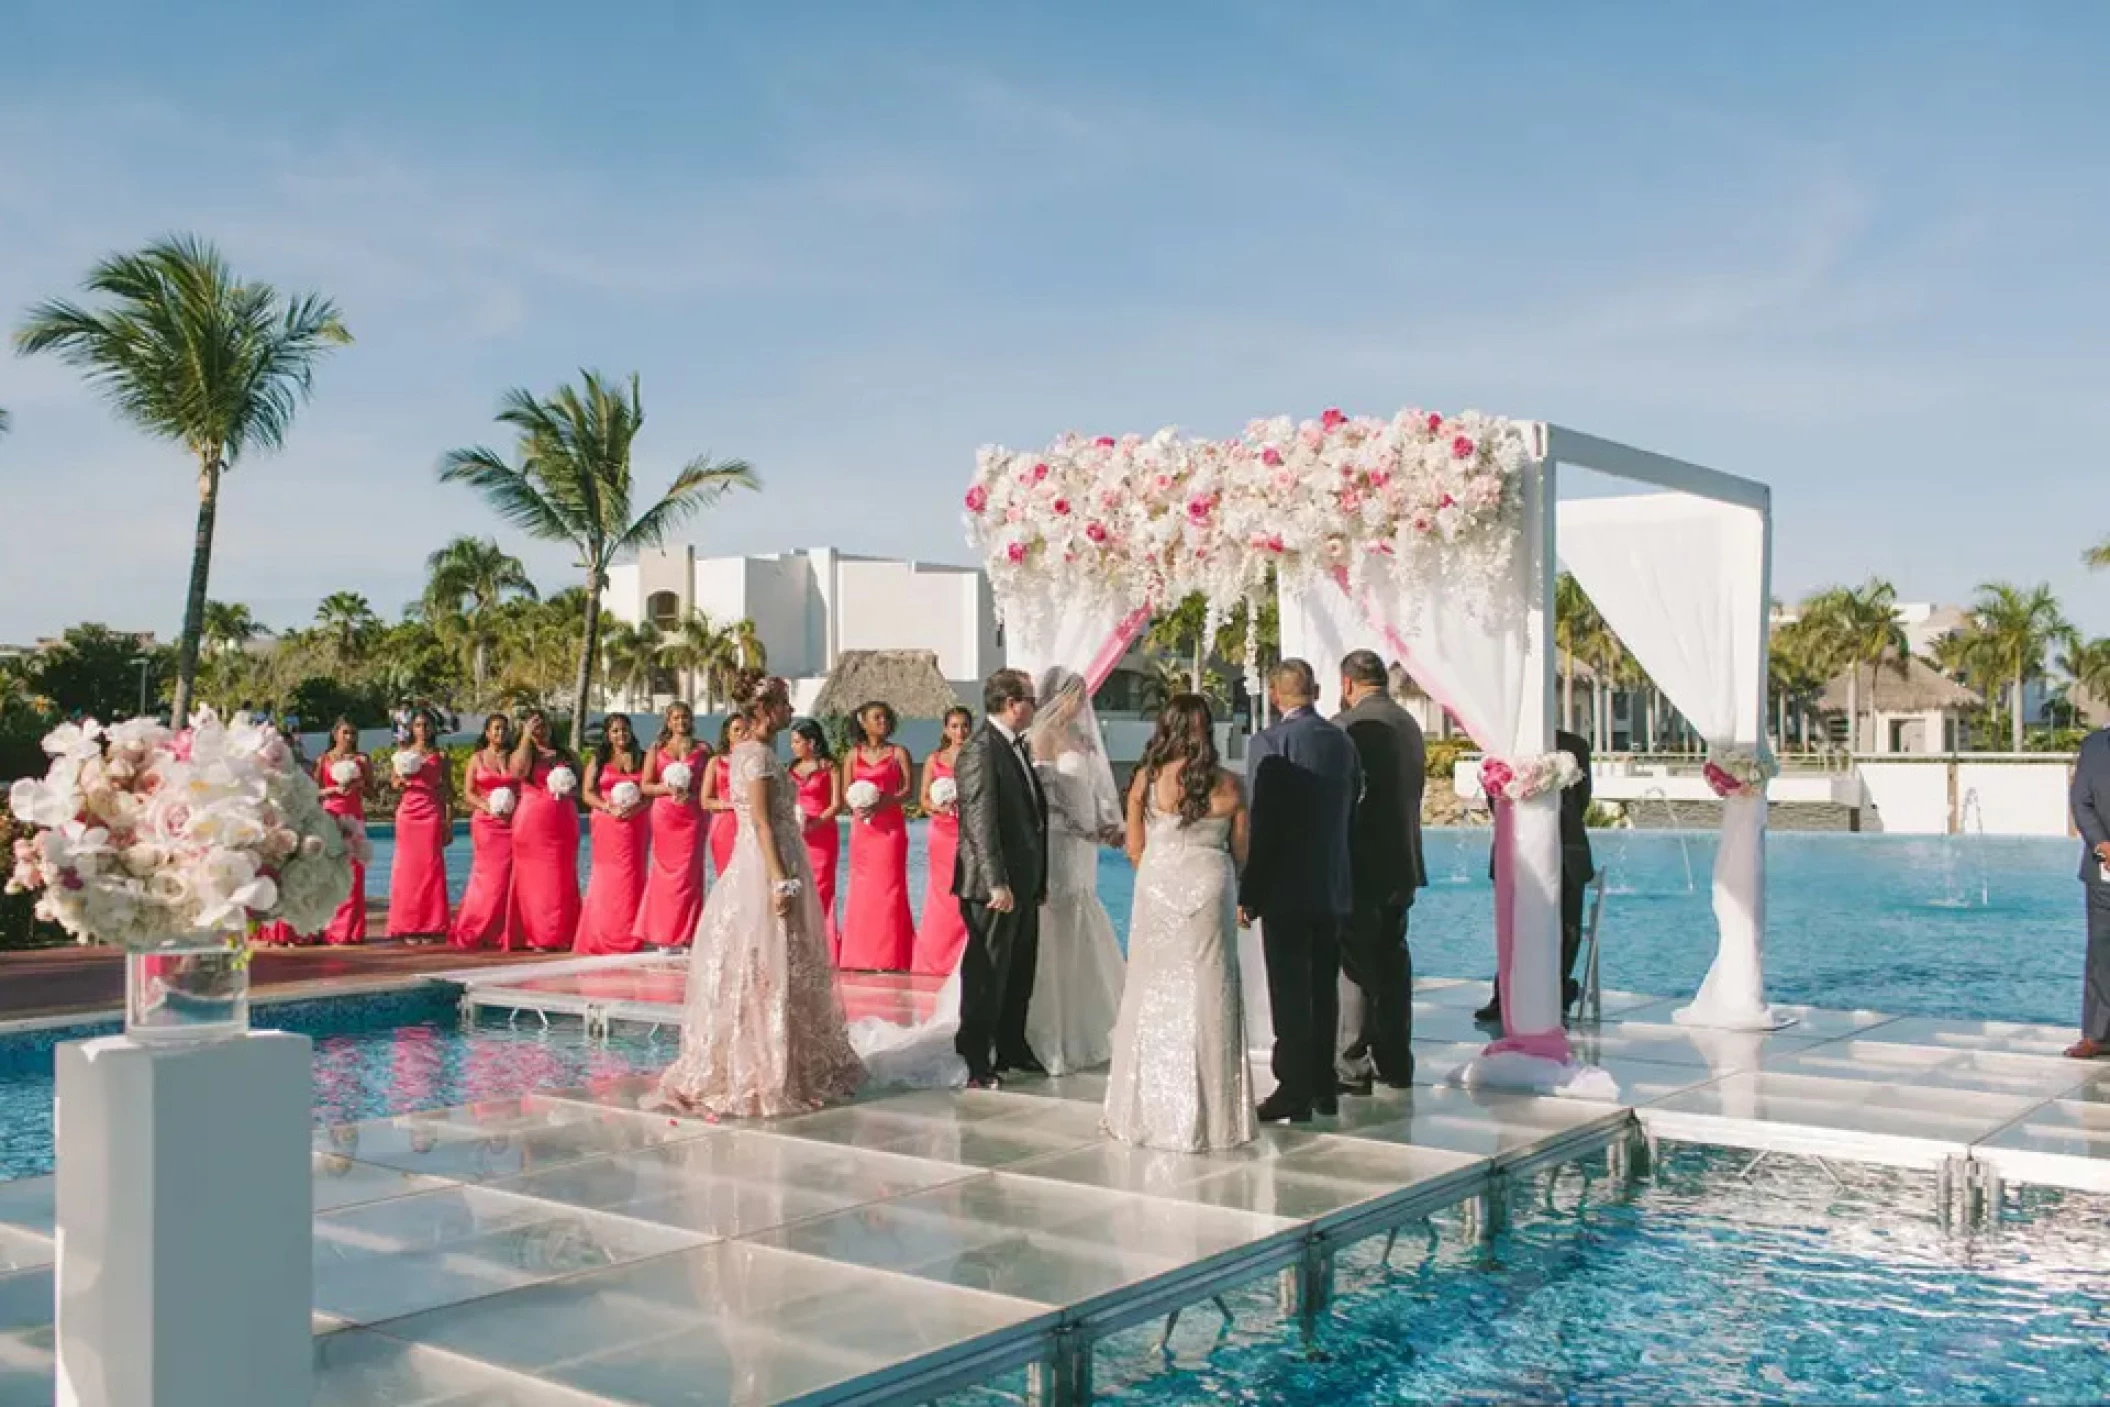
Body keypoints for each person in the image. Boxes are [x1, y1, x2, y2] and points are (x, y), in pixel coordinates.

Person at [653, 673, 866, 1118]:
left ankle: (788, 1056)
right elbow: (762, 824)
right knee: (768, 958)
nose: (791, 712)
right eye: (785, 704)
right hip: (766, 864)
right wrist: (779, 879)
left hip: (779, 856)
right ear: (766, 710)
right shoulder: (758, 757)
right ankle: (765, 1065)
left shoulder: (754, 753)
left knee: (784, 961)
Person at [1103, 695, 1257, 1152]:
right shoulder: (1231, 785)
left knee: (1150, 989)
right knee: (1213, 992)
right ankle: (1216, 1119)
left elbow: (1134, 847)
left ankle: (1146, 1114)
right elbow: (1243, 853)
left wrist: (1160, 874)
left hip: (1158, 884)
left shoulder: (1145, 780)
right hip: (1209, 886)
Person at [1239, 659, 1361, 1124]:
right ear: (1315, 690)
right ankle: (1323, 1084)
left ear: (1275, 695)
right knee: (1323, 987)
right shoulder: (1342, 741)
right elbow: (1353, 805)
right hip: (1333, 880)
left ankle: (1293, 1086)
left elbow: (1263, 823)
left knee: (1289, 989)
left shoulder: (1269, 743)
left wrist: (1251, 890)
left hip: (1287, 886)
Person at [1023, 668, 1127, 1074]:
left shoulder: (1081, 739)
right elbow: (1044, 796)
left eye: (1082, 696)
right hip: (1060, 840)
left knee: (1084, 906)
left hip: (1085, 844)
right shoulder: (1042, 736)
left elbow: (1092, 791)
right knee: (1059, 914)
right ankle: (1053, 1024)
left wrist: (1105, 825)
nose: (1080, 704)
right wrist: (1081, 826)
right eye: (1073, 696)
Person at [1333, 650, 1427, 1092]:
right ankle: (1395, 1059)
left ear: (1347, 683)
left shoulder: (1346, 727)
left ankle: (1351, 1062)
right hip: (1402, 861)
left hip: (1359, 861)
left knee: (1352, 963)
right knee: (1393, 961)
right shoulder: (1409, 724)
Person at [952, 668, 1048, 1087]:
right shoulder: (980, 750)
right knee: (988, 971)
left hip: (1023, 881)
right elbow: (979, 821)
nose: (1035, 706)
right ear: (1012, 704)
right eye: (1031, 698)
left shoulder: (1013, 746)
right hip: (993, 884)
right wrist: (996, 882)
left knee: (1020, 968)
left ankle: (1011, 1045)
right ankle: (975, 1057)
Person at [1475, 728, 1595, 1024]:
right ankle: (1504, 996)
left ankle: (1559, 995)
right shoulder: (1504, 744)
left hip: (1567, 848)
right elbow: (1495, 798)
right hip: (1516, 848)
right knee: (1513, 926)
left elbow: (1582, 799)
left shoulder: (1574, 745)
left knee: (1567, 928)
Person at [839, 701, 916, 971]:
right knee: (862, 889)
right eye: (877, 717)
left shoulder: (898, 753)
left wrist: (884, 802)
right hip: (864, 829)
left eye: (885, 717)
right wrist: (858, 803)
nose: (882, 722)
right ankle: (860, 956)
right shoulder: (852, 755)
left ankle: (891, 956)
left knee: (890, 888)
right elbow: (845, 793)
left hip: (890, 829)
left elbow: (908, 791)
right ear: (864, 722)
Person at [575, 712, 651, 955]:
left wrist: (636, 807)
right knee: (607, 877)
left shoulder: (644, 758)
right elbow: (587, 793)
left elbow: (649, 792)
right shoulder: (599, 759)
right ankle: (604, 933)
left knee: (632, 874)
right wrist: (608, 807)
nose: (621, 735)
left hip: (636, 822)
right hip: (607, 822)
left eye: (624, 730)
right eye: (615, 731)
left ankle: (631, 934)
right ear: (608, 734)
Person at [507, 709, 583, 952]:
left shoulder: (566, 754)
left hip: (563, 821)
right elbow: (516, 773)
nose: (541, 729)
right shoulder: (522, 753)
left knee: (562, 878)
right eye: (535, 726)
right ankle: (538, 935)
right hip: (532, 823)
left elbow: (582, 789)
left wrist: (567, 789)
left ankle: (563, 933)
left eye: (544, 724)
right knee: (536, 882)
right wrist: (525, 739)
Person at [636, 702, 710, 950]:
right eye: (676, 717)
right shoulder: (656, 749)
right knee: (663, 874)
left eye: (685, 717)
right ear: (668, 721)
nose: (681, 722)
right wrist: (668, 789)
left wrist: (694, 793)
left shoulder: (702, 749)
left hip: (692, 816)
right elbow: (646, 786)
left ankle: (688, 934)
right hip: (665, 815)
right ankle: (663, 934)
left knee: (690, 874)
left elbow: (710, 785)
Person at [911, 707, 973, 977]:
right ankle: (936, 957)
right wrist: (938, 808)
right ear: (946, 730)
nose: (960, 732)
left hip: (968, 831)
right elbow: (922, 799)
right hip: (941, 832)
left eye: (965, 726)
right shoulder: (933, 759)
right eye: (955, 726)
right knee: (941, 892)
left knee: (966, 888)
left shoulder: (976, 758)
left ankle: (964, 953)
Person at [451, 714, 519, 950]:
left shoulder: (515, 758)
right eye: (496, 729)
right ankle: (477, 926)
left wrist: (514, 806)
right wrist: (488, 807)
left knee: (508, 877)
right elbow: (468, 793)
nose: (501, 733)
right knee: (487, 877)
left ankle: (502, 930)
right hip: (486, 825)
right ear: (488, 733)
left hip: (512, 824)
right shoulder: (477, 758)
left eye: (505, 729)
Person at [385, 708, 452, 942]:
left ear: (433, 728)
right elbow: (393, 783)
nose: (423, 730)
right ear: (411, 729)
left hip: (431, 813)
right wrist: (400, 781)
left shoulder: (440, 755)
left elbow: (447, 791)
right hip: (408, 814)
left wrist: (448, 821)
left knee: (431, 870)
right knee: (407, 871)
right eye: (418, 725)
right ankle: (408, 925)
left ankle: (432, 925)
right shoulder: (403, 752)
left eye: (427, 725)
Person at [2064, 727, 2110, 1059]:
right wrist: (2102, 844)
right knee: (2101, 952)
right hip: (2103, 868)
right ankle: (2097, 1035)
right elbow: (2081, 801)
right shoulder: (2093, 745)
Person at [788, 719, 844, 962]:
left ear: (811, 742)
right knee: (798, 883)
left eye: (797, 741)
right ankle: (800, 941)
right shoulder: (789, 769)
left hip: (822, 834)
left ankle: (824, 943)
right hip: (797, 833)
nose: (793, 746)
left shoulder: (829, 767)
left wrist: (816, 823)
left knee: (822, 885)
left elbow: (836, 803)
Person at [314, 717, 370, 946]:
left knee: (355, 873)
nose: (349, 738)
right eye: (345, 733)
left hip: (354, 816)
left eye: (353, 733)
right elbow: (315, 792)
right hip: (330, 816)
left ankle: (351, 929)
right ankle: (331, 929)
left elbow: (371, 788)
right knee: (332, 871)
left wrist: (356, 785)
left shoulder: (362, 759)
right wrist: (333, 790)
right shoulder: (323, 760)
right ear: (335, 734)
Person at [701, 716, 747, 882]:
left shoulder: (756, 761)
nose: (742, 734)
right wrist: (730, 805)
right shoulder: (715, 761)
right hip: (724, 824)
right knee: (727, 876)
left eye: (746, 729)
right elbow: (705, 801)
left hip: (749, 822)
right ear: (727, 734)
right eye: (737, 730)